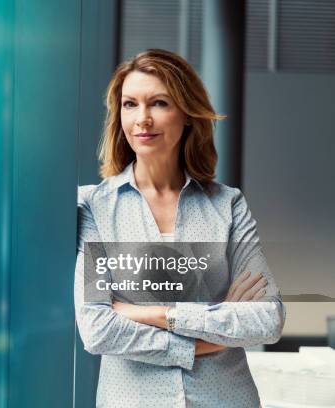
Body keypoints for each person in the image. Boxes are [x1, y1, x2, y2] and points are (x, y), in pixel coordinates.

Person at [74, 49, 285, 408]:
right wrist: (212, 334)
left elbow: (268, 318)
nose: (142, 119)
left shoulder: (227, 204)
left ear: (186, 113)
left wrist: (158, 314)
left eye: (158, 103)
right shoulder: (94, 206)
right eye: (130, 104)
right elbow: (98, 328)